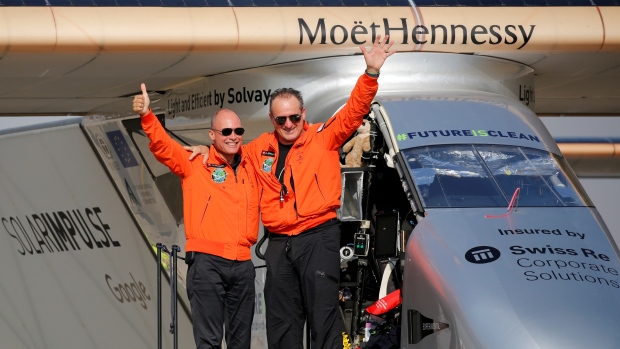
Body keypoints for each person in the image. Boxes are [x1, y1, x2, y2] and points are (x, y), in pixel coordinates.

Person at [187, 35, 395, 349]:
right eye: (281, 119)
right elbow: (228, 151)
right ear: (272, 120)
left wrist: (371, 74)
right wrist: (207, 147)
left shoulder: (323, 137)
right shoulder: (258, 149)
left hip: (317, 236)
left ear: (303, 114)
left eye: (294, 117)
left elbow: (354, 111)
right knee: (282, 323)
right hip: (279, 243)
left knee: (323, 318)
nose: (288, 124)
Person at [133, 84, 259, 349]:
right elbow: (164, 147)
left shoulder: (252, 163)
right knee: (209, 342)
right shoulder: (194, 162)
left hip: (243, 263)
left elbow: (283, 136)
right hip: (207, 264)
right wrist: (147, 116)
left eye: (238, 131)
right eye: (226, 131)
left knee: (241, 344)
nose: (233, 136)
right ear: (212, 134)